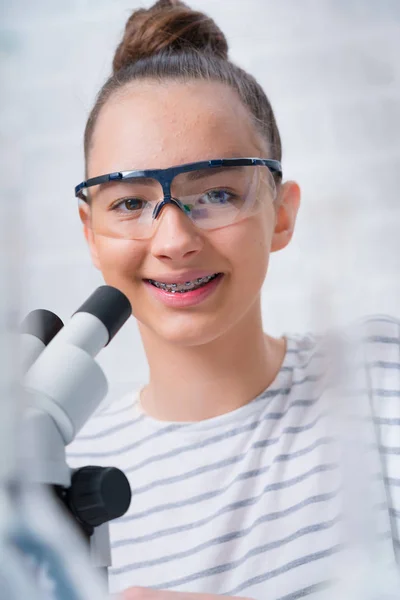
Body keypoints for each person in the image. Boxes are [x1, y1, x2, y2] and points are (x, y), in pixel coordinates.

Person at [67, 1, 400, 598]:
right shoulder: (61, 482)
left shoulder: (379, 375)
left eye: (216, 192)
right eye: (129, 203)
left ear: (282, 213)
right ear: (92, 235)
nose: (173, 241)